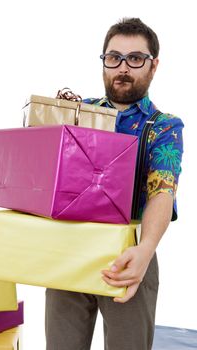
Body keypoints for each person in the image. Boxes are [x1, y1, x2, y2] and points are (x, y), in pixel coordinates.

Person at [45, 18, 184, 350]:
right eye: (114, 57)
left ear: (153, 65)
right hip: (69, 252)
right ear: (104, 61)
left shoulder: (164, 127)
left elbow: (163, 192)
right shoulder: (78, 113)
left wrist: (145, 250)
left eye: (136, 58)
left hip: (129, 255)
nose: (123, 67)